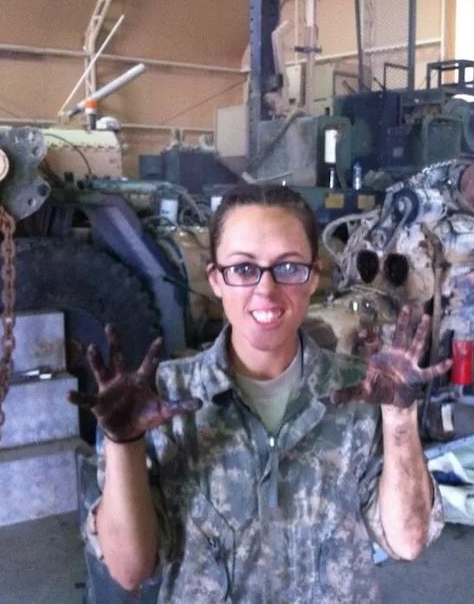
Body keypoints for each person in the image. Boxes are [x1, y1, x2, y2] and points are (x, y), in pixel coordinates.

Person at [70, 184, 451, 602]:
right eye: (243, 269)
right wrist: (124, 443)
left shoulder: (360, 394)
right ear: (215, 278)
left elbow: (408, 541)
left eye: (288, 268)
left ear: (313, 278)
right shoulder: (163, 400)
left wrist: (400, 419)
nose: (265, 291)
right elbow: (130, 571)